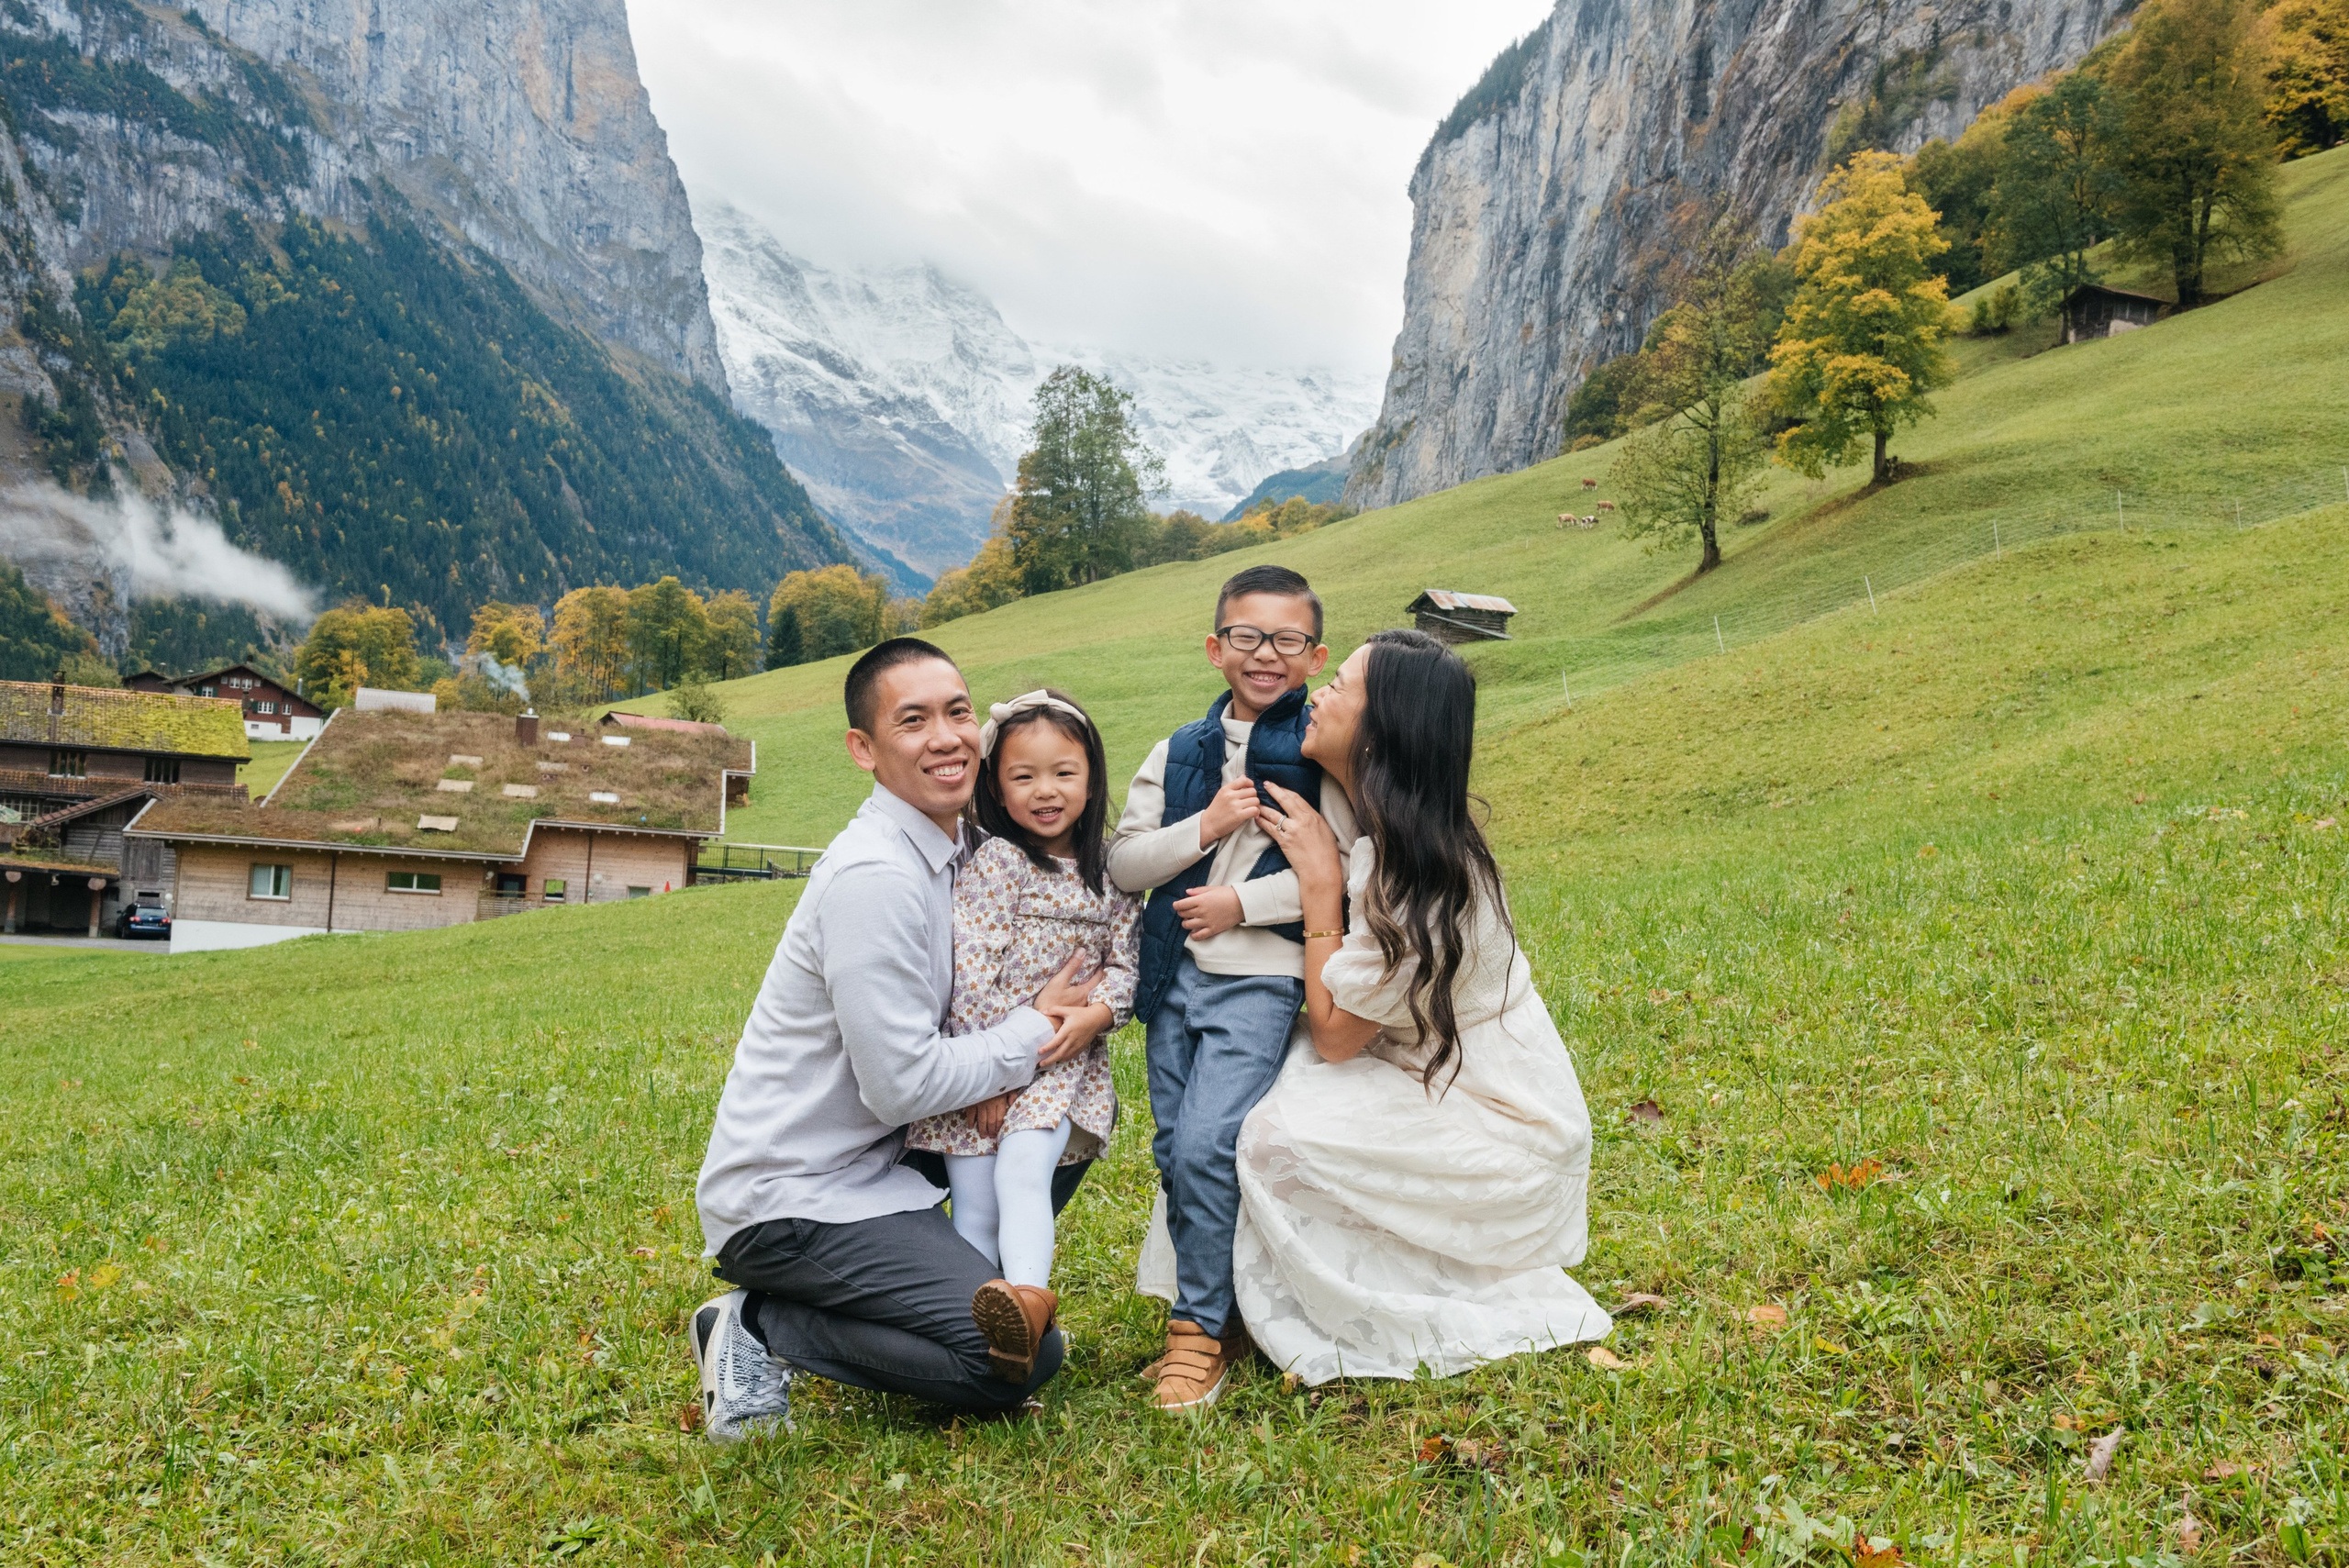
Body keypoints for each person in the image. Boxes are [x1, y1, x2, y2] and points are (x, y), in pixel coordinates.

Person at [688, 639, 1099, 1440]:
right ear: (864, 750)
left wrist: (1083, 1015)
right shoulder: (875, 876)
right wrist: (1027, 1036)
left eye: (957, 711)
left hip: (887, 1163)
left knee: (1057, 1135)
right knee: (1011, 1359)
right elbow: (901, 1084)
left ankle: (923, 1285)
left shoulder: (963, 852)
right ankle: (757, 1323)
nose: (946, 737)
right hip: (796, 1197)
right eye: (912, 720)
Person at [1240, 628, 1612, 1384]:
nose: (1319, 694)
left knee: (1274, 1133)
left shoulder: (1423, 880)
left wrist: (1317, 883)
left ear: (1382, 733)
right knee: (1274, 1078)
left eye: (1340, 687)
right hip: (1443, 1082)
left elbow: (1339, 1035)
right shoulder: (1397, 831)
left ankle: (1347, 1305)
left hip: (1507, 1135)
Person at [1108, 563, 1358, 1413]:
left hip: (1261, 980)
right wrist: (1204, 829)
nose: (1266, 654)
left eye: (1288, 640)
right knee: (1174, 1148)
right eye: (1247, 636)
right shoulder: (1178, 750)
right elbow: (1123, 861)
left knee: (1210, 1142)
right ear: (1216, 647)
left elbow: (1346, 875)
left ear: (1314, 654)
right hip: (1172, 978)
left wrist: (1242, 900)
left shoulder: (1325, 757)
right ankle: (1229, 1306)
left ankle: (1197, 1335)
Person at [905, 689, 1140, 1380]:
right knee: (974, 1208)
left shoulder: (1111, 870)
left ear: (1092, 777)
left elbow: (1129, 965)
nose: (1046, 791)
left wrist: (1099, 1013)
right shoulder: (998, 862)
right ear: (996, 789)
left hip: (1058, 1063)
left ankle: (1030, 1302)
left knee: (1022, 1171)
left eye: (1064, 772)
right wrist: (985, 1074)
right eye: (1023, 776)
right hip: (987, 1059)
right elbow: (970, 973)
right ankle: (983, 1348)